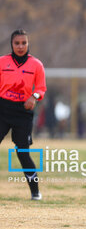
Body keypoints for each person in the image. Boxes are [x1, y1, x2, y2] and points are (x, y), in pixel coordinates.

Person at [0, 29, 47, 200]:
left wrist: (33, 96)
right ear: (11, 44)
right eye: (17, 43)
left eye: (24, 43)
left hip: (23, 113)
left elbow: (41, 88)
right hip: (2, 110)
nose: (20, 46)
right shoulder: (2, 62)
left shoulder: (36, 65)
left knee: (22, 153)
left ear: (28, 44)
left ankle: (35, 192)